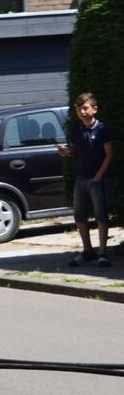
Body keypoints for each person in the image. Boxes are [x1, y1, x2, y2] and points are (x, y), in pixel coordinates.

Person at [59, 93, 114, 268]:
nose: (82, 112)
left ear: (94, 109)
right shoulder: (76, 129)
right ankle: (87, 251)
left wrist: (98, 176)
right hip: (81, 178)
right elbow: (74, 150)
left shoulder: (103, 129)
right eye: (78, 109)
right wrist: (66, 151)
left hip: (99, 179)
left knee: (101, 217)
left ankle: (103, 253)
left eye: (85, 108)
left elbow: (109, 154)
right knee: (80, 217)